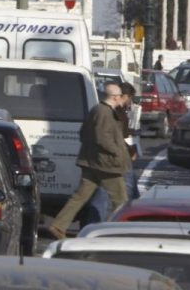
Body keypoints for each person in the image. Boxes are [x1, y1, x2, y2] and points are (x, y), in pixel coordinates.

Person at [42, 80, 134, 240]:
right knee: (120, 200)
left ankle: (58, 225)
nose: (122, 99)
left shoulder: (97, 110)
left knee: (80, 196)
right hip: (106, 165)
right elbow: (103, 138)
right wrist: (118, 152)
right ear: (114, 97)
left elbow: (84, 133)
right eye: (120, 96)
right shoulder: (105, 112)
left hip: (92, 162)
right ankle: (118, 231)